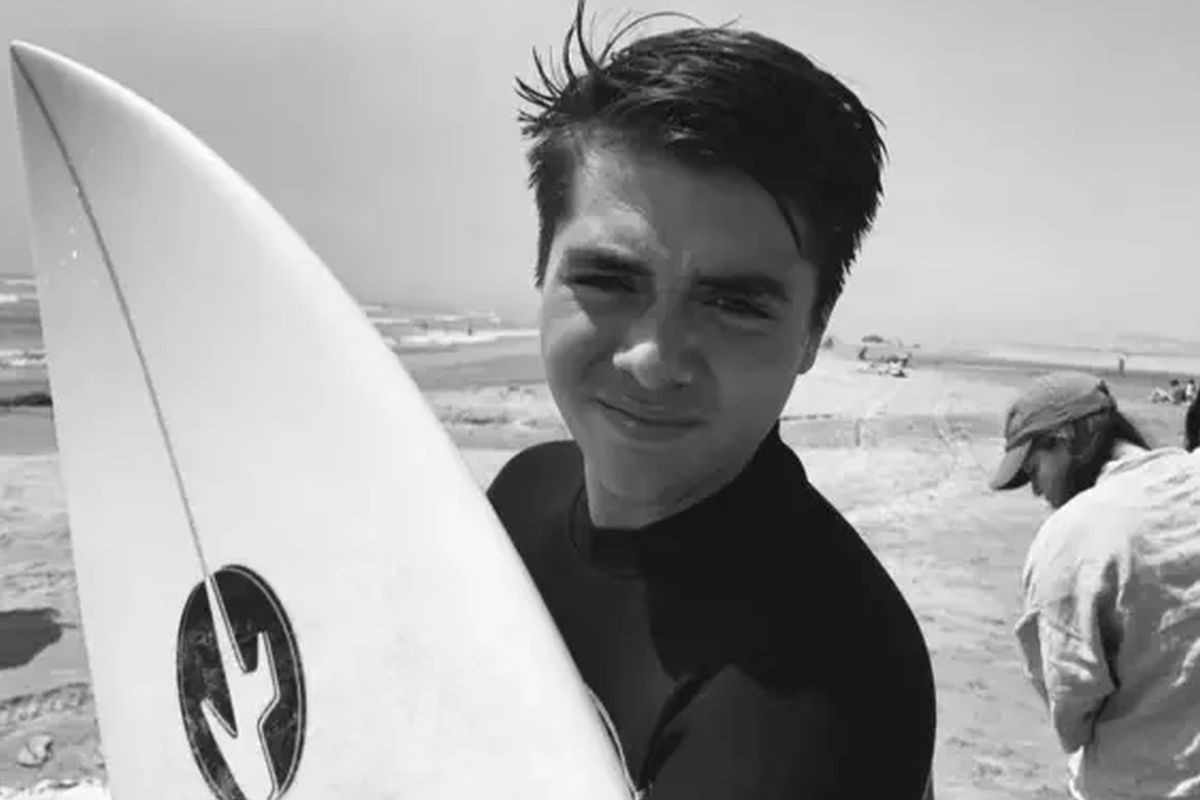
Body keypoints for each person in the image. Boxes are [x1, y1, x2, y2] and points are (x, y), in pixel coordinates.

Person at [486, 4, 937, 798]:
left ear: (812, 332)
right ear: (541, 271)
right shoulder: (524, 491)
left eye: (733, 303)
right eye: (608, 279)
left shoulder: (820, 700)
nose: (653, 361)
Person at [990, 371, 1200, 799]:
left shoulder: (1070, 538)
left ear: (1066, 441)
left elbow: (1071, 712)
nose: (1036, 490)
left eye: (1034, 469)